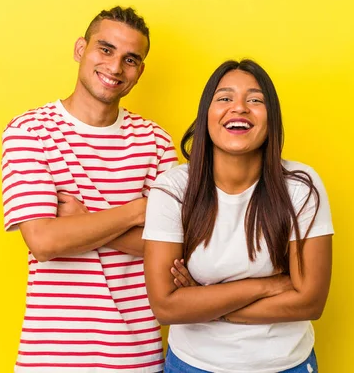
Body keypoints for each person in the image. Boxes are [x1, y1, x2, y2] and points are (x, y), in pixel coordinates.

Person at [1, 6, 177, 372]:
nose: (115, 68)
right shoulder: (29, 132)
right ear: (81, 49)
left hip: (136, 356)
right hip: (50, 357)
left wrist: (81, 222)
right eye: (106, 49)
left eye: (131, 59)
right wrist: (137, 210)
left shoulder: (156, 141)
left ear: (140, 70)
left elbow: (173, 250)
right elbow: (44, 243)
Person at [143, 59, 334, 372]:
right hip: (194, 365)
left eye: (255, 100)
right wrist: (267, 285)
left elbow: (310, 302)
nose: (240, 107)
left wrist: (205, 304)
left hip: (286, 365)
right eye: (224, 98)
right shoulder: (174, 188)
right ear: (206, 115)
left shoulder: (301, 186)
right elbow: (166, 306)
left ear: (271, 119)